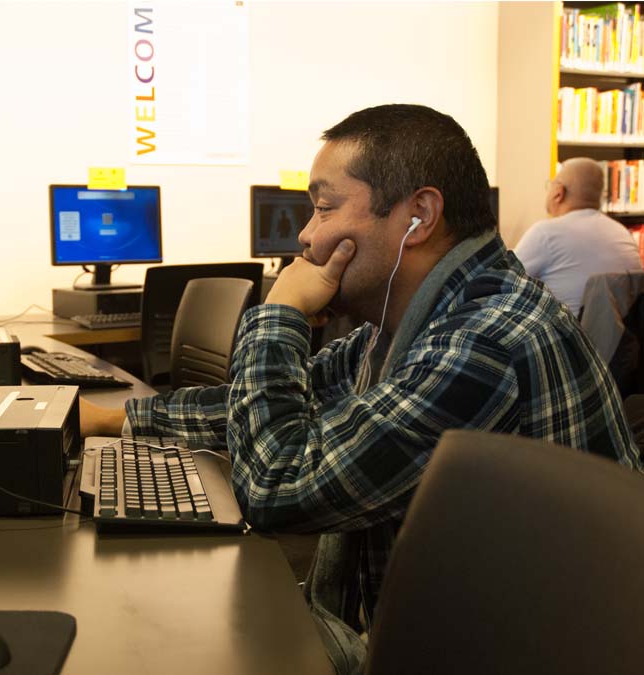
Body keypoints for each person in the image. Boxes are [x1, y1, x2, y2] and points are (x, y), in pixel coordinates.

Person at [82, 104, 642, 675]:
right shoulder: (418, 323)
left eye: (323, 207)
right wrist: (117, 421)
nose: (305, 235)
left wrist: (281, 312)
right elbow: (295, 398)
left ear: (418, 216)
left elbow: (277, 485)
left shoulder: (484, 343)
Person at [514, 157, 643, 315]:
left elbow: (501, 284)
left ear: (558, 193)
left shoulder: (545, 233)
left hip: (568, 337)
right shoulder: (623, 234)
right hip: (618, 338)